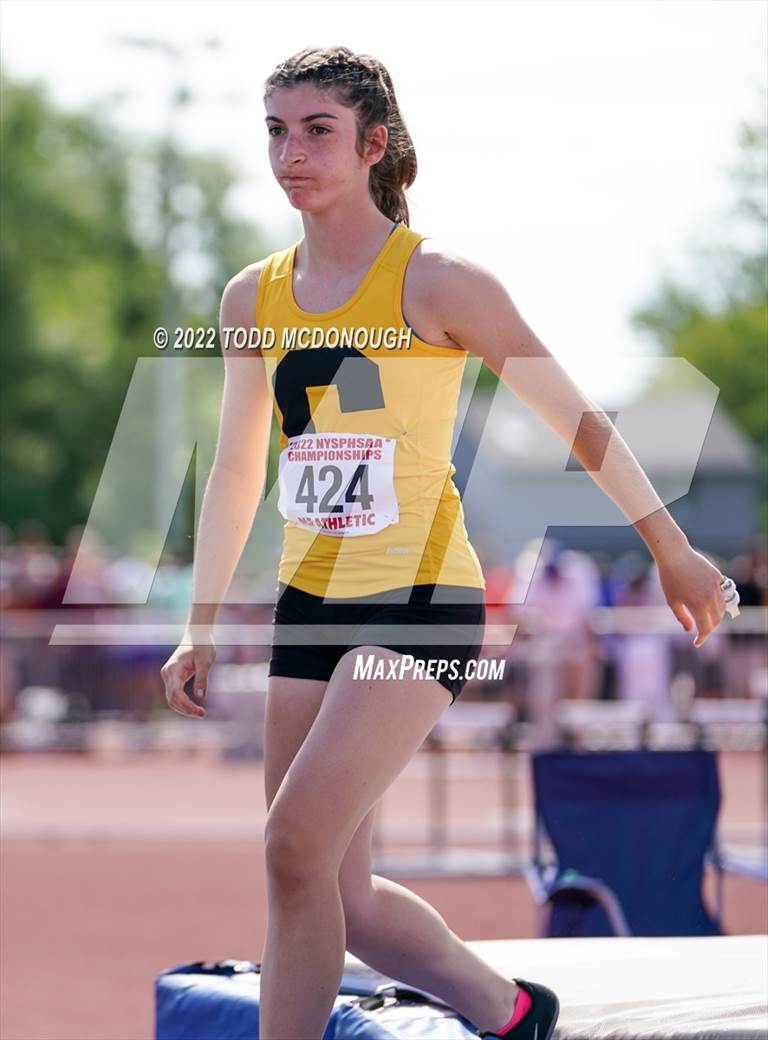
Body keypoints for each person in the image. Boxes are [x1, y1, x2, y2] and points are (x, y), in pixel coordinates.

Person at [160, 46, 732, 1040]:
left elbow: (577, 417)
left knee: (293, 843)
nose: (290, 152)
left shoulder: (440, 281)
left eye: (317, 130)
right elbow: (236, 469)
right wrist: (199, 623)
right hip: (309, 598)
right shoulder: (253, 297)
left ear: (373, 143)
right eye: (276, 130)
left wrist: (671, 545)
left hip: (421, 598)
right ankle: (506, 1008)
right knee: (331, 879)